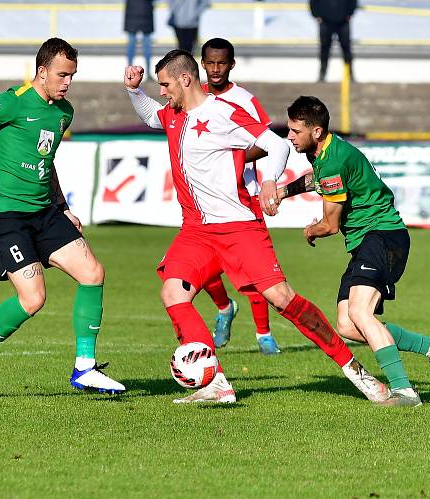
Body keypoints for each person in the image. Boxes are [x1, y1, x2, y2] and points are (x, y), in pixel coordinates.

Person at [123, 50, 389, 404]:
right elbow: (151, 117)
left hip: (239, 227)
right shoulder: (173, 114)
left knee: (282, 298)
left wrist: (268, 182)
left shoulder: (223, 113)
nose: (162, 92)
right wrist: (133, 90)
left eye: (166, 84)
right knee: (173, 294)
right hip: (197, 231)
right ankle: (215, 382)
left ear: (185, 80)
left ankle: (355, 371)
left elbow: (276, 145)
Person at [0, 38, 125, 399]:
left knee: (93, 273)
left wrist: (62, 207)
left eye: (72, 76)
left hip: (44, 212)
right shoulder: (12, 101)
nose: (68, 83)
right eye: (62, 75)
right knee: (33, 298)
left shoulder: (63, 113)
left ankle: (85, 369)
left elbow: (47, 162)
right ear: (41, 71)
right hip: (3, 214)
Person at [279, 96, 430, 407]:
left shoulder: (333, 160)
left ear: (316, 131)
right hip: (368, 241)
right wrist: (284, 191)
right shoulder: (325, 153)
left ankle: (404, 392)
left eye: (295, 131)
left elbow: (330, 225)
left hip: (382, 236)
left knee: (361, 312)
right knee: (348, 325)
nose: (289, 136)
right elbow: (317, 180)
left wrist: (311, 230)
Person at [198, 37, 281, 355]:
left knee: (254, 270)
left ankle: (264, 335)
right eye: (211, 62)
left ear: (232, 64)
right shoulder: (194, 97)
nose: (216, 69)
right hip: (204, 198)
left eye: (222, 63)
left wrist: (232, 158)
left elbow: (268, 141)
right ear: (202, 63)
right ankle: (224, 308)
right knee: (199, 268)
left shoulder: (245, 100)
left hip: (243, 195)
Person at [309, 0, 356, 82]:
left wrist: (350, 13)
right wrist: (316, 15)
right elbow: (313, 2)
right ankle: (322, 75)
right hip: (325, 21)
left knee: (346, 48)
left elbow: (353, 2)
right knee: (324, 49)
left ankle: (350, 75)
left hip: (343, 21)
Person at [124, 0, 155, 75]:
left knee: (132, 45)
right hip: (146, 13)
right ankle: (148, 73)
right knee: (146, 46)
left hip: (132, 14)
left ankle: (129, 72)